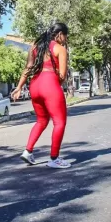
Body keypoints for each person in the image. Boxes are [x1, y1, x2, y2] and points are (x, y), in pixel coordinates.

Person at [13, 22, 70, 169]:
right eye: (65, 36)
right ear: (59, 34)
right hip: (49, 85)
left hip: (34, 85)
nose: (65, 39)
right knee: (59, 122)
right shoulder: (60, 49)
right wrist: (57, 80)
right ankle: (54, 158)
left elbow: (28, 68)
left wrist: (19, 87)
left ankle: (28, 151)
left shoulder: (35, 46)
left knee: (41, 121)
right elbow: (62, 76)